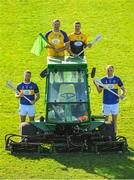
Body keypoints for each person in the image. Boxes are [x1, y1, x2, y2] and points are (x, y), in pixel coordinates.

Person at [94, 65, 126, 136]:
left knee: (114, 121)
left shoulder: (117, 79)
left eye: (111, 70)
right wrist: (96, 85)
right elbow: (99, 91)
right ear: (106, 71)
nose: (109, 71)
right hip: (106, 104)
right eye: (108, 70)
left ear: (113, 70)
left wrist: (122, 94)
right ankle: (106, 135)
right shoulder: (103, 80)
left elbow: (123, 89)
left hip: (115, 103)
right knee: (106, 121)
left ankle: (114, 134)